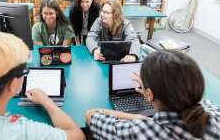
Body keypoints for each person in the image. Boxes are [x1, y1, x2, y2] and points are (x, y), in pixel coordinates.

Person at [0, 32, 85, 140]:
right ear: (13, 85)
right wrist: (47, 102)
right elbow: (78, 136)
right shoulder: (25, 132)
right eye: (24, 72)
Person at [86, 51, 220, 140]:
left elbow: (91, 115)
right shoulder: (213, 112)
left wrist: (138, 117)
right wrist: (152, 93)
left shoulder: (143, 131)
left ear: (149, 94)